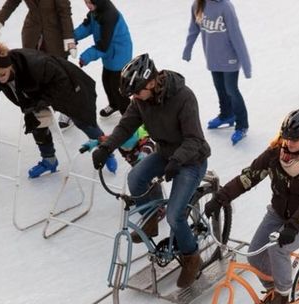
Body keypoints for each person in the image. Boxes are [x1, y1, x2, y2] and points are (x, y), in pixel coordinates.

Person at [90, 54, 211, 289]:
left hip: (191, 160)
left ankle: (191, 256)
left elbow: (195, 139)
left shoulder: (183, 97)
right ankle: (154, 216)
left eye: (137, 92)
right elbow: (126, 125)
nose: (134, 98)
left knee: (176, 215)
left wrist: (177, 161)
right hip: (166, 154)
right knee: (136, 178)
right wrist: (106, 147)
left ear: (152, 83)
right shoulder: (141, 100)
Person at [203, 108, 299, 304]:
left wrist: (292, 227)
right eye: (287, 137)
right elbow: (249, 177)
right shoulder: (276, 153)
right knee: (255, 254)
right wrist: (220, 198)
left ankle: (281, 299)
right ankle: (277, 286)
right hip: (279, 212)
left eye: (295, 140)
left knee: (278, 249)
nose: (288, 144)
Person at [0, 41, 109, 178]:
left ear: (10, 66)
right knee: (36, 123)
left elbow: (61, 81)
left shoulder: (36, 65)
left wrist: (43, 100)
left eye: (2, 75)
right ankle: (49, 160)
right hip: (37, 94)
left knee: (82, 119)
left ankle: (106, 148)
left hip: (69, 85)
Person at [0, 0, 77, 129]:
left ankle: (67, 110)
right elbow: (12, 3)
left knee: (59, 74)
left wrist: (69, 38)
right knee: (36, 73)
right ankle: (42, 110)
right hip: (32, 34)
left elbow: (64, 12)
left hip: (55, 35)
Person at [182, 0, 251, 145]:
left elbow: (236, 36)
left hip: (230, 58)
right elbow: (193, 29)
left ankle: (242, 124)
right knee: (220, 88)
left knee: (231, 90)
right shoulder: (198, 5)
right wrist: (188, 48)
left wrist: (246, 64)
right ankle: (227, 114)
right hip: (213, 58)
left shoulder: (225, 7)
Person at [74, 0, 132, 118]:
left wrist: (86, 57)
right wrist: (72, 37)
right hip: (109, 53)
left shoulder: (109, 16)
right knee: (106, 80)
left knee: (117, 88)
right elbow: (88, 26)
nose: (88, 6)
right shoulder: (96, 10)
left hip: (119, 54)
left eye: (90, 3)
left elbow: (103, 46)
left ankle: (129, 117)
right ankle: (114, 104)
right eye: (86, 2)